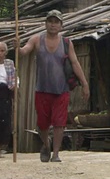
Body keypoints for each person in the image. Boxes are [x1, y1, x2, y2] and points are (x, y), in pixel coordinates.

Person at [19, 10, 89, 163]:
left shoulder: (66, 43)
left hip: (61, 89)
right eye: (50, 21)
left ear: (61, 25)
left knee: (59, 122)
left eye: (56, 22)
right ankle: (46, 144)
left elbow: (75, 63)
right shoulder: (37, 39)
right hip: (42, 89)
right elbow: (24, 51)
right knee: (42, 124)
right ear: (45, 24)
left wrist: (84, 83)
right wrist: (17, 47)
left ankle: (56, 153)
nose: (53, 24)